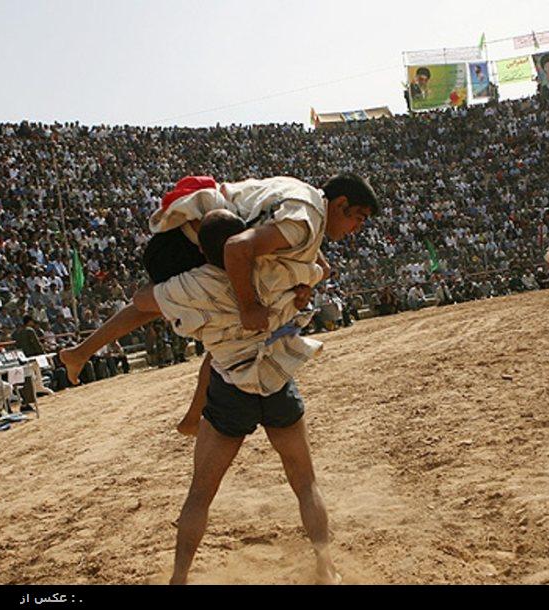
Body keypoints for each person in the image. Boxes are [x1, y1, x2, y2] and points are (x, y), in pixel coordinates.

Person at [132, 208, 372, 585]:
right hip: (276, 380)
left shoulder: (193, 285)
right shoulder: (273, 270)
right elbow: (320, 267)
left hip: (230, 389)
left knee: (200, 494)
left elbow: (141, 299)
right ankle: (325, 567)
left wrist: (182, 273)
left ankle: (179, 579)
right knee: (305, 482)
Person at [60, 173, 375, 436]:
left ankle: (82, 354)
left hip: (191, 239)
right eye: (357, 219)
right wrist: (250, 306)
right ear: (341, 205)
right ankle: (191, 412)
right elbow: (240, 247)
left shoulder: (301, 192)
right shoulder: (306, 218)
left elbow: (304, 249)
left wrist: (307, 277)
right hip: (191, 246)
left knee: (213, 324)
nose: (356, 230)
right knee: (205, 317)